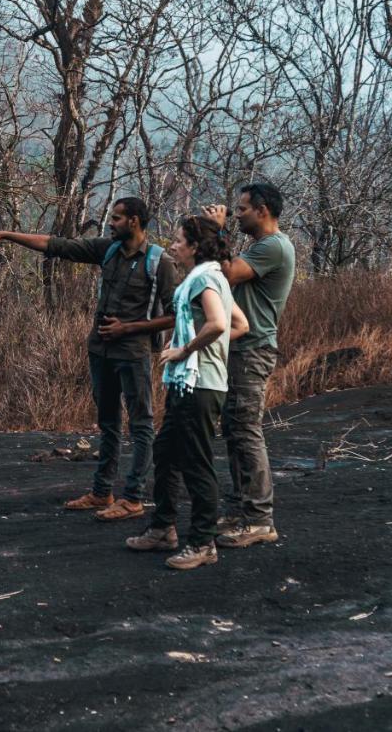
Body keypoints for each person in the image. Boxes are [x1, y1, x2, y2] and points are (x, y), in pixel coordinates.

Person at [0, 198, 178, 521]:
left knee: (141, 424)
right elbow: (57, 246)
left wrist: (129, 327)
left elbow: (174, 315)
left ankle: (134, 497)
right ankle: (102, 492)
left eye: (117, 218)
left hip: (133, 353)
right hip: (101, 351)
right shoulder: (107, 250)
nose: (110, 223)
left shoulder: (159, 262)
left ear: (135, 221)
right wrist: (5, 235)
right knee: (108, 423)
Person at [126, 216, 248, 570]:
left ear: (195, 247)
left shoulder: (206, 279)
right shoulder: (210, 278)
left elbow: (220, 324)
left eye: (179, 241)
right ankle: (164, 527)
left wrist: (186, 349)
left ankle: (202, 542)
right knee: (165, 452)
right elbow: (240, 325)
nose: (174, 246)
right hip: (189, 383)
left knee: (196, 462)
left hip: (202, 384)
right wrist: (207, 345)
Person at [202, 183, 295, 549]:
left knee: (245, 430)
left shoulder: (273, 246)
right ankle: (243, 509)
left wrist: (217, 230)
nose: (237, 214)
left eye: (242, 210)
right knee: (235, 430)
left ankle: (259, 519)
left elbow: (225, 273)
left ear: (263, 210)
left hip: (253, 350)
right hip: (240, 349)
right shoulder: (262, 246)